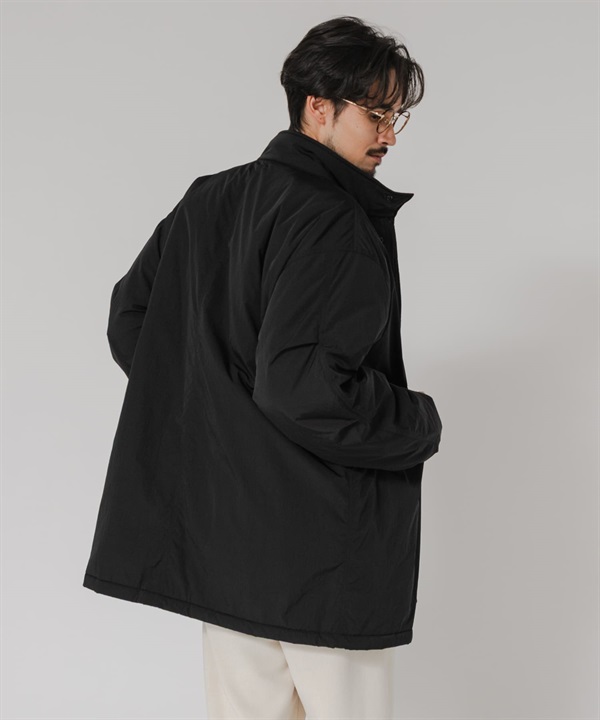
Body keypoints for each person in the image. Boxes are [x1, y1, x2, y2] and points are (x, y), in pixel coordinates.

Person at [82, 14, 443, 719]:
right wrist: (417, 422)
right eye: (376, 114)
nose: (390, 135)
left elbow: (134, 322)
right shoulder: (334, 219)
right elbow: (306, 387)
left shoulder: (209, 199)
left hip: (228, 543)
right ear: (318, 107)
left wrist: (220, 409)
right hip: (324, 548)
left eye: (396, 116)